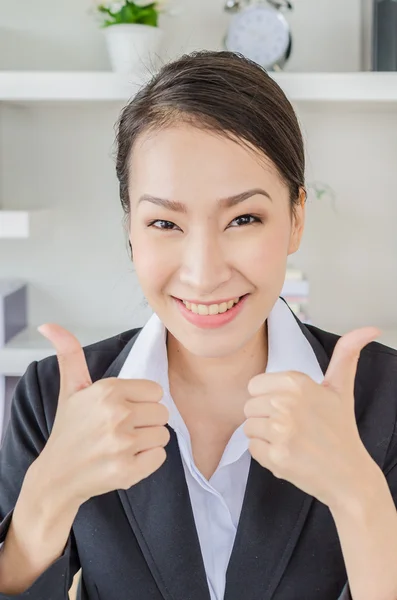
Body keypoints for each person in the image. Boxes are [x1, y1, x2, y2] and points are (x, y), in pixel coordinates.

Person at [0, 50, 396, 600]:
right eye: (165, 222)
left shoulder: (386, 399)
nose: (204, 273)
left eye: (243, 219)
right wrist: (43, 503)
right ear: (131, 232)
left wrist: (360, 499)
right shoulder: (53, 400)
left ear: (296, 218)